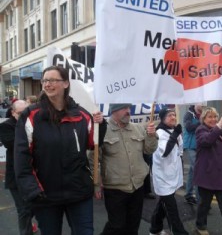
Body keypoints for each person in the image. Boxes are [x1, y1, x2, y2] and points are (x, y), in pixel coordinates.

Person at [14, 66, 95, 235]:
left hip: (78, 192)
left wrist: (103, 125)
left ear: (65, 83)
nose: (47, 84)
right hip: (46, 195)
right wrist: (32, 190)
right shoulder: (31, 115)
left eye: (53, 80)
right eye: (45, 80)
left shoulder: (82, 115)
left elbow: (92, 144)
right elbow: (21, 158)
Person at [92, 104, 158, 235]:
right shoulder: (102, 130)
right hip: (115, 188)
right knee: (116, 226)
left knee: (133, 225)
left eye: (129, 108)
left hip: (137, 186)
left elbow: (149, 150)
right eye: (124, 108)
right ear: (113, 111)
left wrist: (151, 136)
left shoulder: (137, 128)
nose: (128, 111)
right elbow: (93, 159)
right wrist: (96, 184)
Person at [193, 107, 222, 235]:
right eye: (210, 117)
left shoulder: (215, 130)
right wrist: (219, 125)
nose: (213, 119)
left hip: (220, 175)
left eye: (215, 117)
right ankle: (201, 226)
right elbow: (207, 141)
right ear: (203, 119)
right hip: (207, 175)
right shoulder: (201, 130)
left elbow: (217, 146)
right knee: (204, 205)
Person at [0, 100, 38, 235]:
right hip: (15, 175)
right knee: (23, 209)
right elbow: (13, 144)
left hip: (34, 173)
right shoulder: (6, 126)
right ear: (13, 112)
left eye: (26, 113)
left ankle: (29, 226)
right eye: (21, 113)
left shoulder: (33, 123)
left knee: (35, 206)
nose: (24, 116)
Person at [149, 107, 189, 235]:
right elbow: (164, 152)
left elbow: (180, 152)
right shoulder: (159, 133)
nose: (173, 117)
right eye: (169, 115)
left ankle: (155, 229)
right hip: (163, 177)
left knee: (163, 204)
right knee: (172, 209)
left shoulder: (172, 130)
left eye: (174, 115)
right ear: (162, 118)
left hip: (172, 175)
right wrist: (175, 134)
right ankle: (180, 232)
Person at [183, 104, 203, 205]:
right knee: (198, 170)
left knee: (192, 171)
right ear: (196, 104)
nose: (202, 106)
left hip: (199, 145)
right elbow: (189, 128)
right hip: (190, 146)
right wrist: (201, 122)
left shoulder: (203, 113)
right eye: (201, 104)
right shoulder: (189, 114)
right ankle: (201, 201)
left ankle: (188, 194)